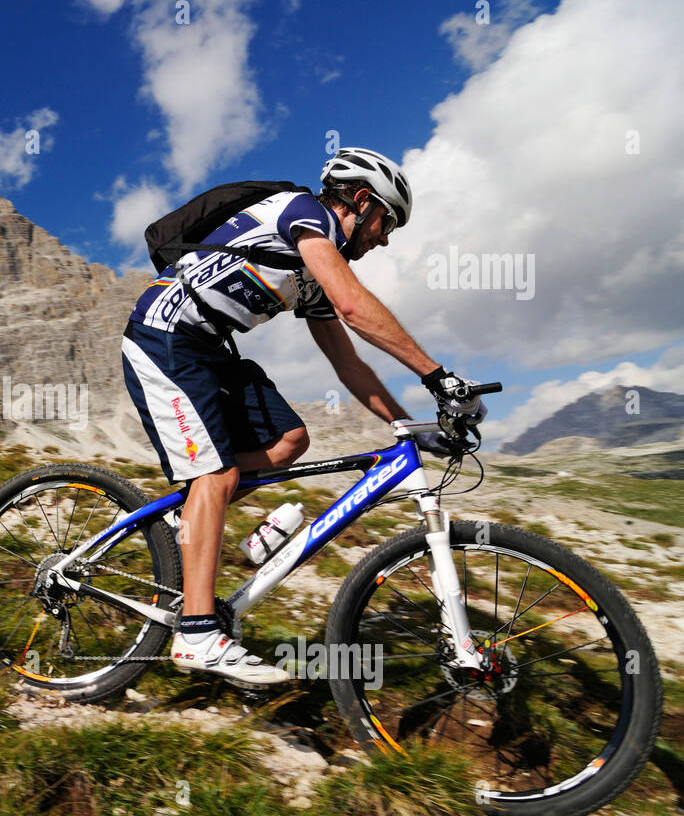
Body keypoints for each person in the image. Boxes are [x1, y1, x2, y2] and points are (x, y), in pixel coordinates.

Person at [120, 147, 486, 687]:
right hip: (165, 337)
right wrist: (438, 375)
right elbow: (355, 307)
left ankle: (190, 518)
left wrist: (410, 426)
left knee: (290, 439)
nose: (384, 238)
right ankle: (196, 635)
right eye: (386, 222)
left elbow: (348, 363)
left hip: (209, 347)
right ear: (362, 202)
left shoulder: (311, 271)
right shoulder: (302, 214)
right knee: (217, 473)